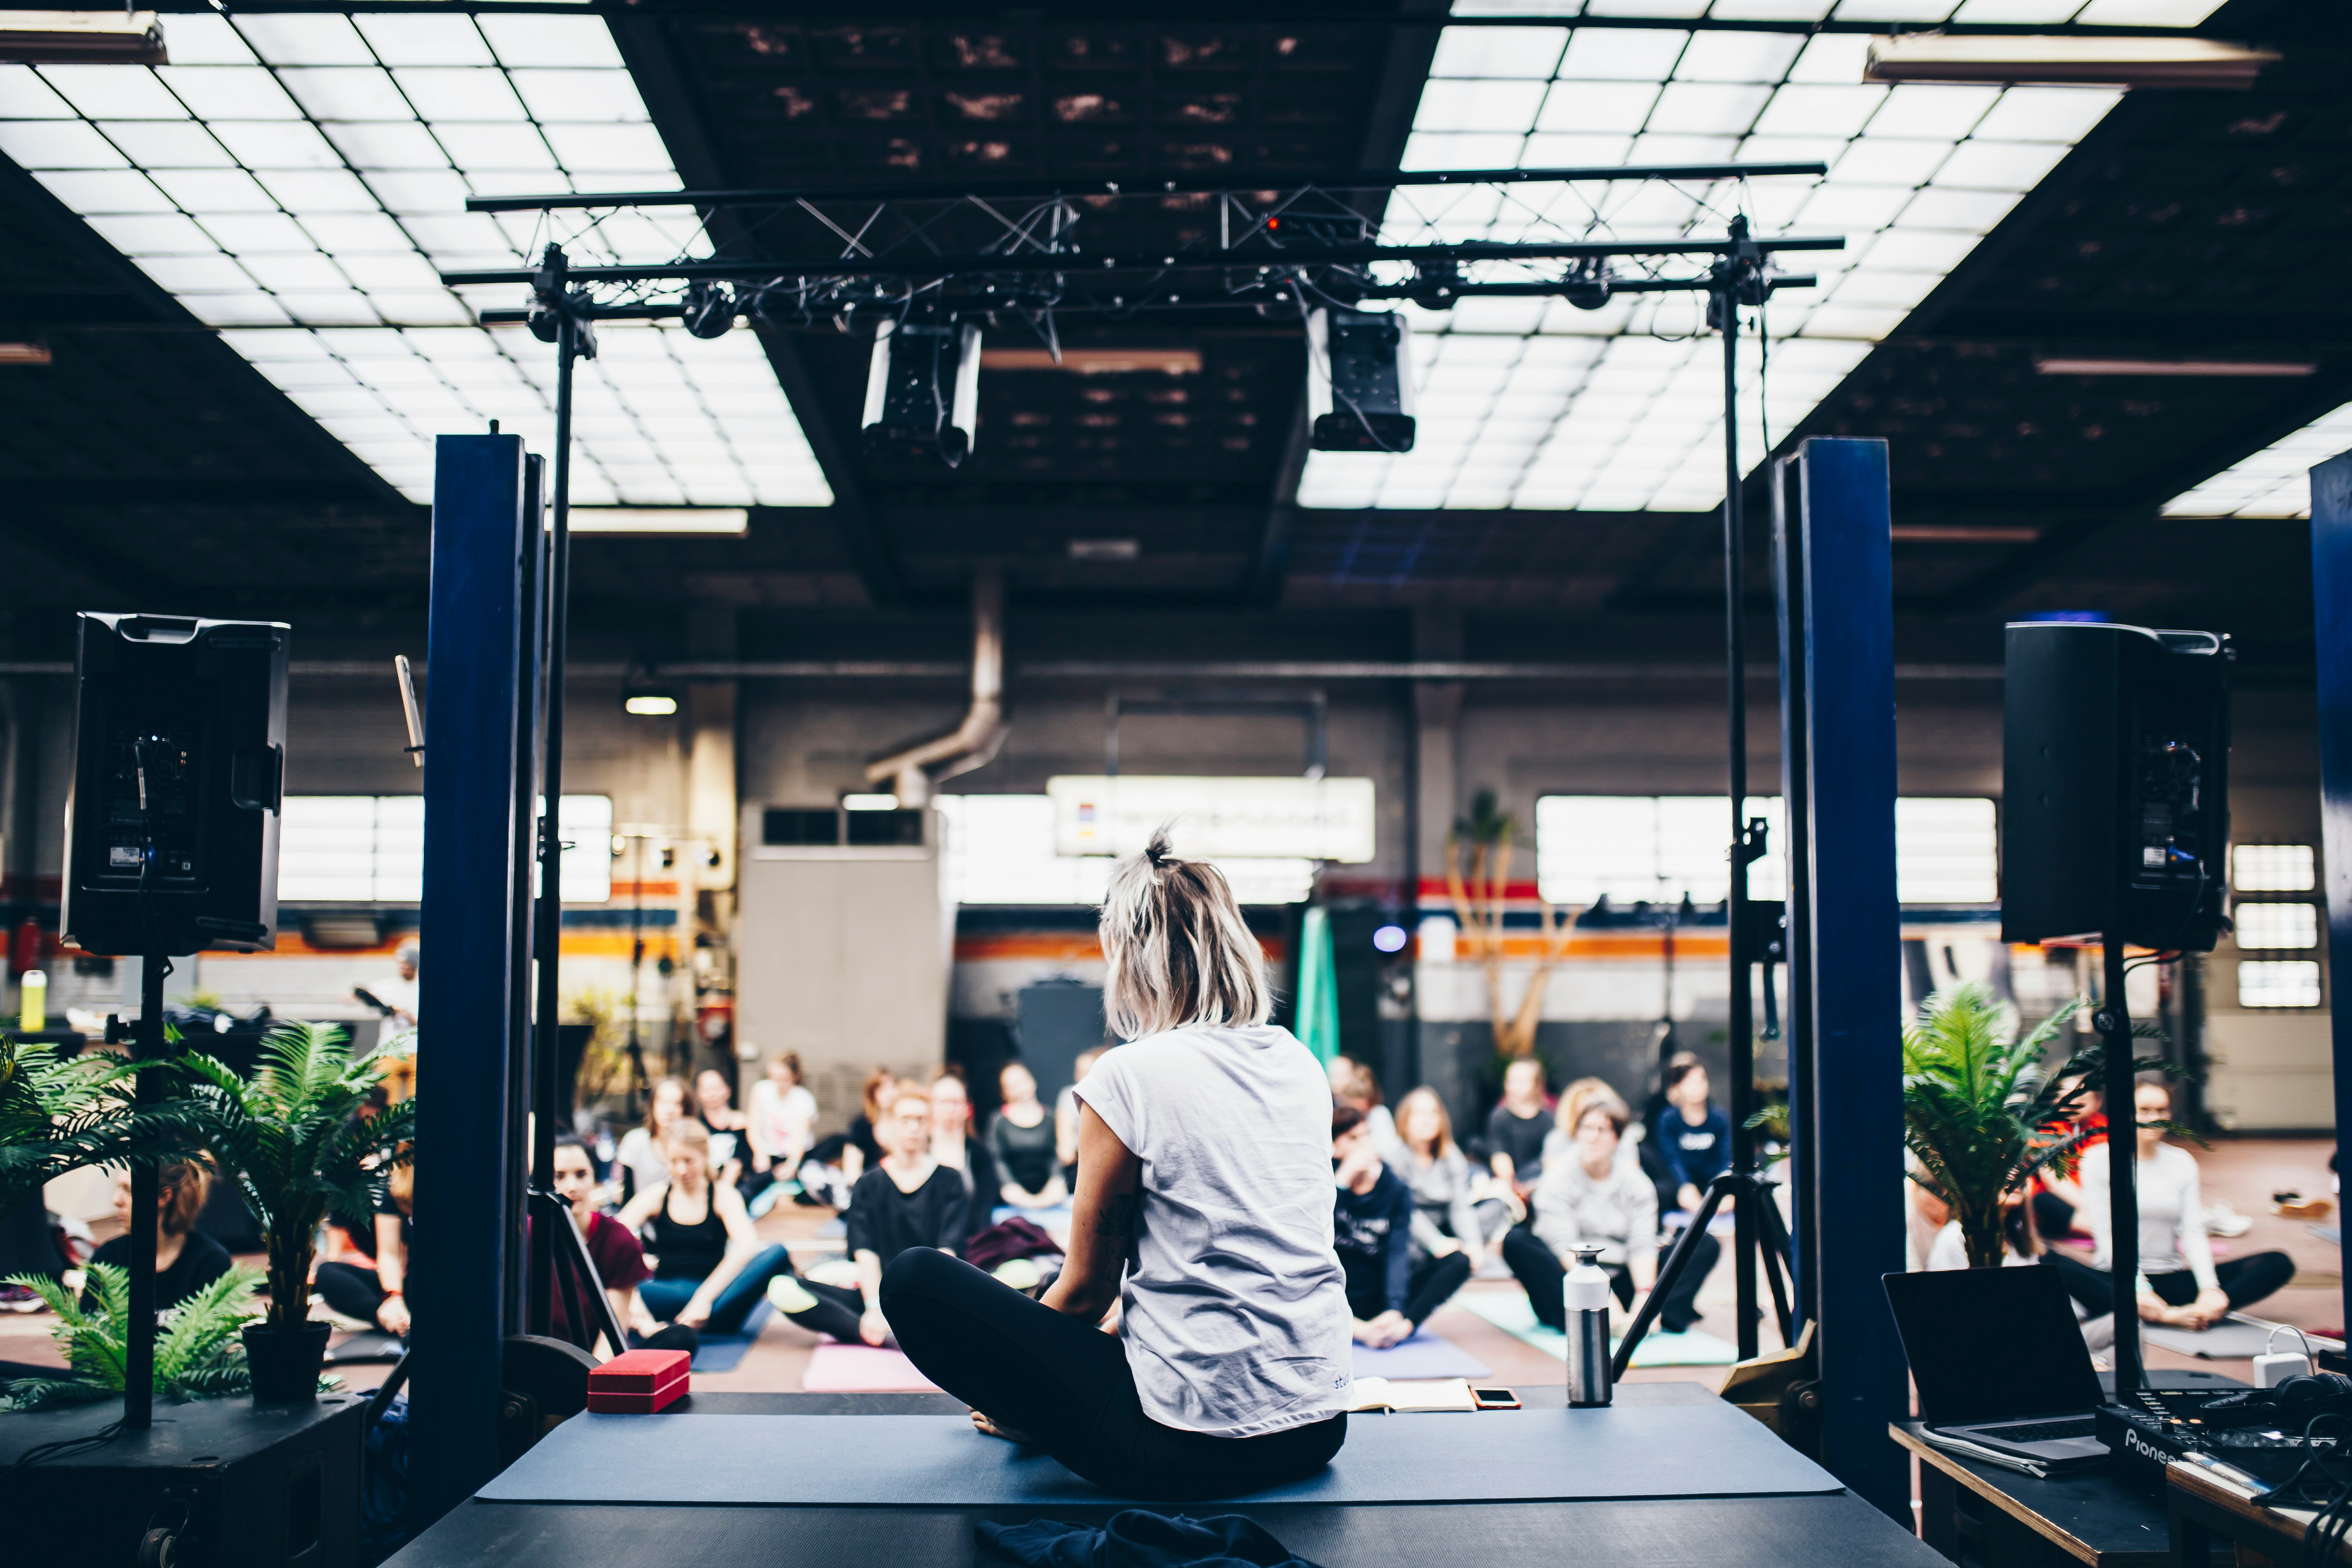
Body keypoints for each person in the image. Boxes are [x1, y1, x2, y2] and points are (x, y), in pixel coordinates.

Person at [882, 828, 1350, 1500]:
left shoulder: (1127, 1075)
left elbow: (1085, 1293)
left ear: (1131, 956)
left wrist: (1026, 1398)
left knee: (915, 1279)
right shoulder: (1298, 1063)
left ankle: (1031, 1419)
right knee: (1041, 1281)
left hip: (1188, 1447)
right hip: (1317, 1427)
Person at [2049, 1076, 2294, 1326]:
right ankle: (2165, 1315)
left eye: (2161, 1110)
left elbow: (2193, 1231)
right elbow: (2105, 1233)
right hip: (2116, 1281)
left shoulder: (2182, 1162)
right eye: (2144, 1110)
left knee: (2278, 1262)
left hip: (2169, 1278)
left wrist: (2209, 1288)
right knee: (2049, 1262)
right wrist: (2140, 1290)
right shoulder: (2099, 1160)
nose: (2153, 1117)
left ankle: (2202, 1312)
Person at [1504, 1088, 1717, 1336]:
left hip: (1624, 1277)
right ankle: (1594, 1318)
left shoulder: (1636, 1183)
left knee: (1703, 1243)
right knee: (1517, 1241)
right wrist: (1601, 1299)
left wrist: (1645, 1297)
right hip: (1575, 1281)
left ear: (1618, 1138)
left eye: (1602, 1130)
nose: (1593, 1137)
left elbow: (1642, 1243)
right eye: (1586, 1128)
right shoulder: (1557, 1179)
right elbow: (1563, 1245)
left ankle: (1650, 1314)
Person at [619, 1121, 857, 1340]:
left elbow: (746, 1246)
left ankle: (846, 1311)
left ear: (705, 1157)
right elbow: (613, 1238)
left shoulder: (723, 1195)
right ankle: (656, 1326)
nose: (681, 1170)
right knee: (620, 1285)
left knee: (777, 1252)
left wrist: (703, 1300)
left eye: (689, 1161)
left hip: (719, 1300)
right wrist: (642, 1311)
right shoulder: (657, 1196)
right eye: (674, 1162)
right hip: (666, 1294)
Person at [1333, 1106, 1469, 1348]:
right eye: (1354, 1139)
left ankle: (1399, 1329)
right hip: (1333, 1295)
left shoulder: (1394, 1189)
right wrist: (1342, 1181)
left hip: (1376, 1294)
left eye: (1367, 1135)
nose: (1365, 1145)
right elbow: (1311, 1240)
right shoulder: (1326, 1183)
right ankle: (1359, 1330)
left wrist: (1395, 1309)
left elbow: (1397, 1254)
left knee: (1458, 1261)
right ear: (1335, 1147)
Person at [845, 1084, 970, 1344]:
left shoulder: (951, 1180)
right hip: (880, 1292)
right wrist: (874, 1308)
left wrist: (924, 1304)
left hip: (934, 1294)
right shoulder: (868, 1184)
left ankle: (896, 1332)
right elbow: (865, 1252)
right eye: (905, 1120)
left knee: (1016, 1275)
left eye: (921, 1120)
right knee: (788, 1291)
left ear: (930, 1126)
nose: (914, 1127)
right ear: (891, 1125)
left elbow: (947, 1253)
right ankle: (891, 1330)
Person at [548, 1133, 660, 1352]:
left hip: (595, 1365)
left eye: (581, 1175)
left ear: (595, 1179)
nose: (572, 1187)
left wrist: (588, 1382)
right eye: (559, 1176)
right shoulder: (524, 1236)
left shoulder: (619, 1241)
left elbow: (610, 1340)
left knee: (679, 1339)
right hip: (538, 1361)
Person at [1390, 1086, 1515, 1270]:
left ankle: (1459, 1252)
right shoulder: (1395, 1157)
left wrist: (1473, 1243)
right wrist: (1436, 1243)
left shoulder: (1451, 1156)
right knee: (1406, 1246)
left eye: (1433, 1113)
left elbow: (1460, 1206)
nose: (1427, 1120)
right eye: (1419, 1114)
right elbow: (1405, 1211)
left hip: (1448, 1224)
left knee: (1497, 1207)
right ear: (1405, 1120)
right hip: (1413, 1229)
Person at [89, 1160, 232, 1311]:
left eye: (129, 1190)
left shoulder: (209, 1262)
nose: (116, 1201)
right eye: (118, 1189)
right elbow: (86, 1328)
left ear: (163, 1197)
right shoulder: (108, 1257)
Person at [315, 1162, 415, 1336]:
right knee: (327, 1272)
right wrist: (393, 1296)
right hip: (412, 1287)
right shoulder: (396, 1188)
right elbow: (389, 1254)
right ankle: (395, 1320)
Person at [928, 1069, 1004, 1249]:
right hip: (926, 1246)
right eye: (942, 1102)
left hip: (970, 1247)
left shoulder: (980, 1154)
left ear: (967, 1108)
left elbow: (986, 1208)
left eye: (955, 1102)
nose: (949, 1109)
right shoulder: (918, 1150)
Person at [1650, 1054, 1731, 1217]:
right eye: (1689, 1082)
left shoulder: (1720, 1119)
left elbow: (1726, 1158)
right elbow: (1671, 1159)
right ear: (1676, 1088)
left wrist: (1727, 1190)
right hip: (1682, 1184)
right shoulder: (1668, 1120)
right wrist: (1684, 1186)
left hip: (1714, 1183)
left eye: (1701, 1080)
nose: (1697, 1086)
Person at [2031, 1078, 2103, 1242]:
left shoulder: (2104, 1128)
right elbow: (2054, 1180)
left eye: (2081, 1101)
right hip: (2066, 1204)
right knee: (2044, 1202)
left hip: (2101, 1201)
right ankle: (2106, 1232)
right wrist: (2092, 1209)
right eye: (2066, 1098)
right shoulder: (2045, 1130)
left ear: (2098, 1102)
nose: (2073, 1104)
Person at [991, 1061, 1069, 1211]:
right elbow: (998, 1161)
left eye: (1023, 1081)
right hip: (1011, 1202)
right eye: (1013, 1086)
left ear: (1032, 1081)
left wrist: (1054, 1187)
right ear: (1004, 1093)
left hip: (1053, 1200)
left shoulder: (1052, 1119)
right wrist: (1017, 1194)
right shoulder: (998, 1122)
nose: (1020, 1088)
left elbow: (1057, 1157)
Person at [746, 1052, 817, 1200]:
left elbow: (800, 1137)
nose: (778, 1083)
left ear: (794, 1076)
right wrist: (760, 1154)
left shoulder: (804, 1099)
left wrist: (792, 1165)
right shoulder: (761, 1090)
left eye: (783, 1079)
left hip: (793, 1156)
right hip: (767, 1154)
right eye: (774, 1078)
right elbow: (753, 1126)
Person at [614, 1077, 695, 1204]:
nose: (670, 1111)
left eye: (677, 1104)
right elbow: (625, 1196)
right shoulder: (634, 1142)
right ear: (653, 1105)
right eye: (663, 1102)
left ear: (686, 1109)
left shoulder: (695, 1146)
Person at [1483, 1057, 1552, 1196]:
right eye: (1511, 1081)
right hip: (1513, 1182)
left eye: (1522, 1082)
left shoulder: (1548, 1118)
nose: (1514, 1087)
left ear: (1538, 1085)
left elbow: (1552, 1160)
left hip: (1541, 1180)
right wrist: (1511, 1183)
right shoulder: (1500, 1117)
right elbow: (1500, 1155)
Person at [1329, 1056, 1399, 1162]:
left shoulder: (1379, 1115)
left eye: (1362, 1112)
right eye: (1353, 1111)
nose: (1357, 1116)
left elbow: (1390, 1151)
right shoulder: (1340, 1116)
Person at [1055, 1047, 1104, 1185]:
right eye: (1079, 1072)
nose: (1082, 1077)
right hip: (1080, 1162)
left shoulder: (1110, 1096)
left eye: (1088, 1072)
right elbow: (1066, 1153)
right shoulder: (1068, 1095)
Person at [695, 1068, 750, 1191]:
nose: (713, 1094)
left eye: (717, 1088)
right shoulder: (696, 1126)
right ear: (698, 1093)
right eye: (707, 1090)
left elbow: (740, 1161)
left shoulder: (742, 1123)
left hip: (741, 1186)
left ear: (728, 1090)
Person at [356, 942, 419, 1029]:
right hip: (388, 1040)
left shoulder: (420, 990)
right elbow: (352, 997)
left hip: (410, 1041)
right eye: (402, 964)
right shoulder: (387, 986)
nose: (404, 967)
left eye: (408, 965)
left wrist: (403, 1013)